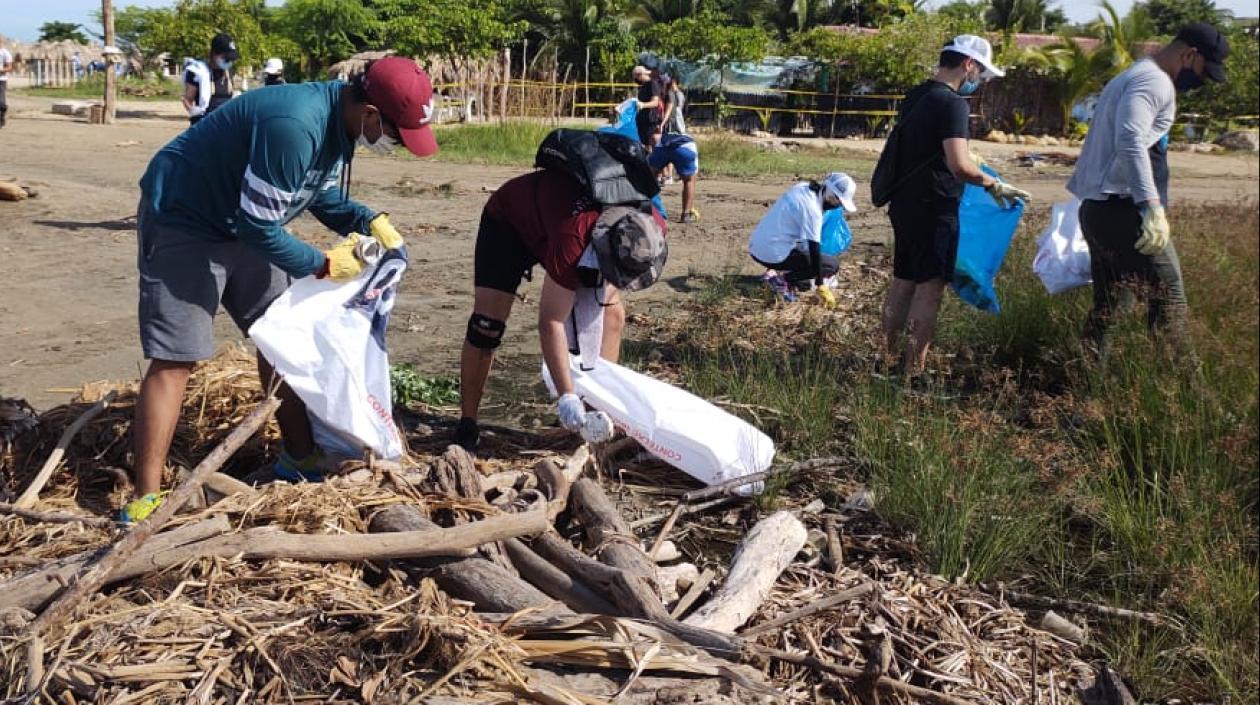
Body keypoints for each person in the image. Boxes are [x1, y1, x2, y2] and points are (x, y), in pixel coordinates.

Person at [123, 57, 438, 522]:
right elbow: (259, 227)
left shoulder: (340, 126)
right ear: (371, 113)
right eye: (397, 134)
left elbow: (318, 194)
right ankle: (144, 498)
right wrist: (322, 264)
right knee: (177, 358)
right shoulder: (295, 125)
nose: (397, 144)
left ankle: (299, 456)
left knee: (281, 334)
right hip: (185, 217)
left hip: (243, 220)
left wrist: (368, 219)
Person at [455, 170, 667, 451]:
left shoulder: (653, 226)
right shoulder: (574, 239)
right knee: (486, 327)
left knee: (611, 315)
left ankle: (596, 410)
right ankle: (467, 422)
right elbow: (551, 321)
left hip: (556, 224)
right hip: (509, 225)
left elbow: (607, 299)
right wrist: (567, 396)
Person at [1067, 23, 1228, 360]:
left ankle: (1080, 386)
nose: (1202, 80)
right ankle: (1189, 390)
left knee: (1110, 308)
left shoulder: (1134, 74)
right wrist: (1151, 206)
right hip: (1125, 211)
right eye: (1204, 71)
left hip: (1101, 210)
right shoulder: (1154, 81)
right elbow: (1130, 139)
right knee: (1170, 300)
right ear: (1190, 55)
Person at [877, 35, 1030, 376]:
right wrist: (992, 184)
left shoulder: (916, 95)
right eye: (980, 73)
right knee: (929, 289)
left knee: (903, 281)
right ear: (968, 64)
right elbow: (959, 165)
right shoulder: (953, 105)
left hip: (904, 203)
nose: (979, 81)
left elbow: (924, 146)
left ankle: (884, 358)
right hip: (935, 207)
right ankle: (913, 370)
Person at [749, 172, 856, 305]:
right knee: (830, 265)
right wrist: (820, 284)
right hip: (772, 254)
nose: (837, 207)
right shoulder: (813, 211)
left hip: (756, 247)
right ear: (830, 196)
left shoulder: (802, 187)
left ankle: (772, 271)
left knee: (799, 247)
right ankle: (781, 281)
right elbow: (814, 251)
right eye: (838, 203)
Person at [182, 33, 239, 126]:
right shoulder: (198, 72)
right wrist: (194, 112)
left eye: (230, 59)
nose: (228, 61)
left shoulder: (229, 72)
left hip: (227, 124)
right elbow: (187, 99)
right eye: (225, 58)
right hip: (205, 124)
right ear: (214, 54)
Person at [648, 132, 700, 223]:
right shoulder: (688, 138)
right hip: (685, 147)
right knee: (689, 181)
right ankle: (686, 214)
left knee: (649, 177)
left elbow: (654, 137)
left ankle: (647, 208)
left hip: (663, 146)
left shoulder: (661, 134)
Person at [633, 65, 664, 148]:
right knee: (644, 145)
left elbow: (655, 102)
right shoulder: (643, 86)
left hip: (650, 120)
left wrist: (643, 105)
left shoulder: (652, 84)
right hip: (642, 119)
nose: (636, 80)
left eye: (636, 77)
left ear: (640, 75)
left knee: (650, 144)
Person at [0, 40, 13, 129]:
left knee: (1, 103)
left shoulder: (5, 53)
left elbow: (9, 67)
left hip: (1, 80)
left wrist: (1, 70)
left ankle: (2, 115)